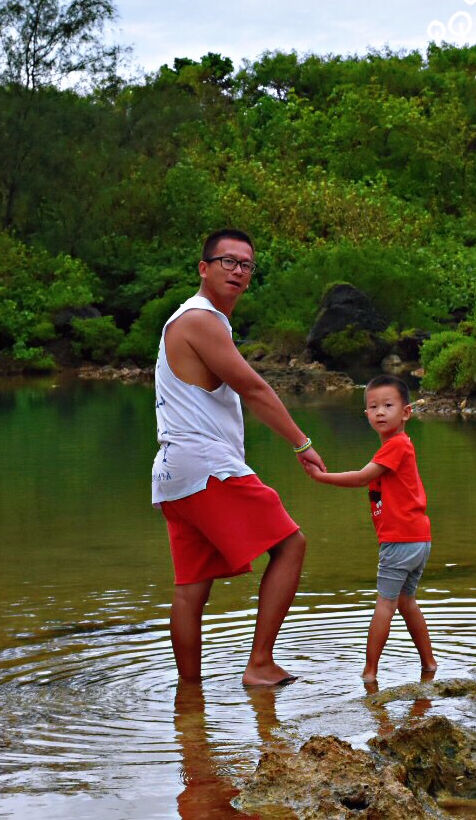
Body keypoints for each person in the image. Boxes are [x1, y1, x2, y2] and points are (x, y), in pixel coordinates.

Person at [151, 229, 325, 687]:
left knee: (191, 588)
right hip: (206, 465)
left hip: (173, 473)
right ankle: (260, 664)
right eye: (227, 261)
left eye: (246, 265)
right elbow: (254, 388)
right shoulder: (200, 319)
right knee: (291, 545)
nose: (238, 271)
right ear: (203, 268)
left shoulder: (193, 322)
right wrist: (302, 445)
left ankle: (189, 702)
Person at [308, 374, 436, 681]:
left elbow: (362, 477)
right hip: (418, 538)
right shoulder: (398, 446)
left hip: (401, 539)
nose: (380, 412)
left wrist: (322, 477)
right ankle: (429, 664)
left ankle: (370, 672)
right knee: (406, 601)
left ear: (406, 412)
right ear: (365, 414)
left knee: (386, 603)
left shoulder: (396, 446)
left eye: (388, 405)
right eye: (373, 406)